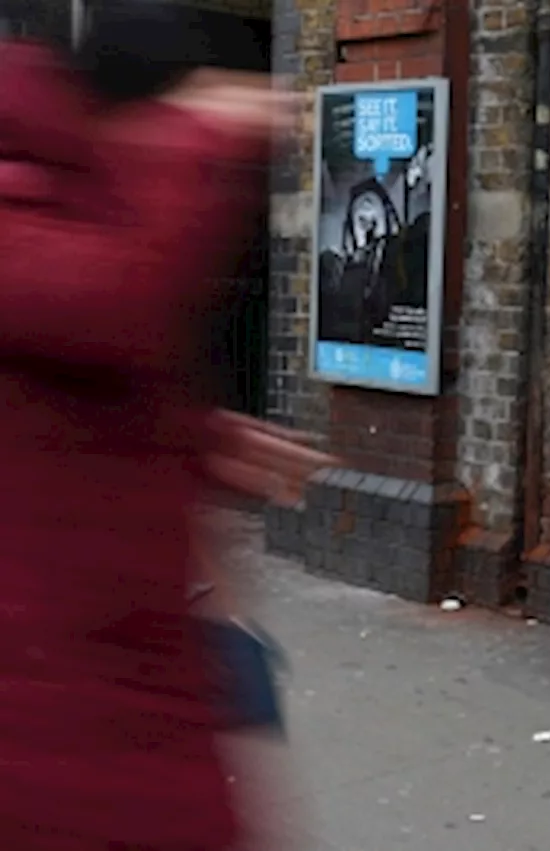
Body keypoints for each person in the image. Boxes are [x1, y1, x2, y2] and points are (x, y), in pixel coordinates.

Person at [0, 4, 330, 848]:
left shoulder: (88, 210)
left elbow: (73, 391)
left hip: (112, 665)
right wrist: (197, 140)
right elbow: (111, 305)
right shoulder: (24, 195)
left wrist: (200, 439)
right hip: (53, 704)